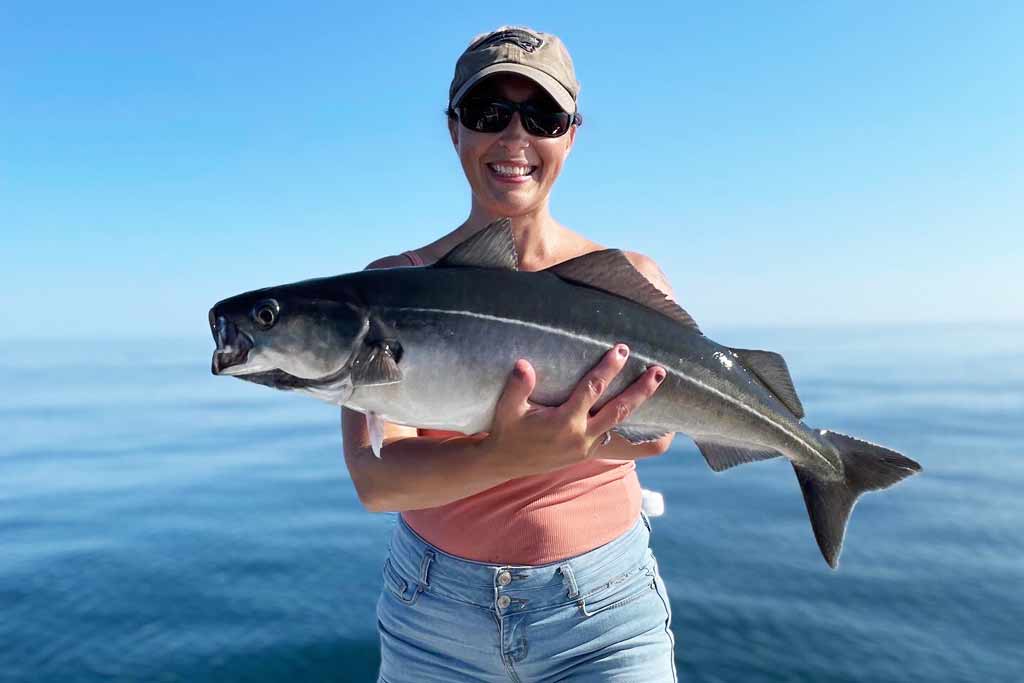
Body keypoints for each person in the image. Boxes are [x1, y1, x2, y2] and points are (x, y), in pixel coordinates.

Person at [341, 26, 679, 682]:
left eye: (543, 116)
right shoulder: (392, 288)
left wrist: (545, 445)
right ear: (454, 130)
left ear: (571, 134)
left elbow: (657, 431)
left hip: (604, 617)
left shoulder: (626, 278)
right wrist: (510, 454)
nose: (515, 137)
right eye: (488, 113)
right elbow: (376, 478)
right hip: (432, 618)